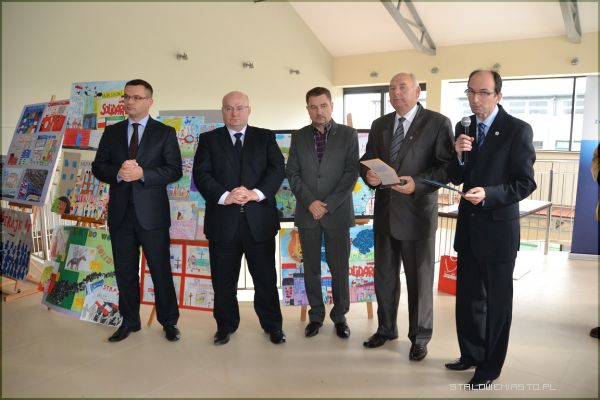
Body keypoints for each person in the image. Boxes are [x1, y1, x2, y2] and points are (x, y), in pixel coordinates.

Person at [445, 69, 537, 388]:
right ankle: (470, 354)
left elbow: (525, 183)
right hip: (469, 230)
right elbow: (456, 175)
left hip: (498, 231)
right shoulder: (463, 126)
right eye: (470, 92)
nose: (475, 99)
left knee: (497, 304)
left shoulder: (517, 129)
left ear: (498, 95)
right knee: (467, 299)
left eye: (483, 93)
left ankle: (490, 366)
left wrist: (489, 194)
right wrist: (458, 154)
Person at [359, 72, 454, 361]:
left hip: (417, 215)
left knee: (419, 281)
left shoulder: (438, 123)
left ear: (417, 92)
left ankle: (420, 336)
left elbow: (446, 168)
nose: (396, 93)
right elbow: (367, 160)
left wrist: (418, 183)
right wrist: (369, 175)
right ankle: (386, 328)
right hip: (385, 213)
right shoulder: (380, 124)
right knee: (384, 277)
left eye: (402, 87)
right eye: (391, 89)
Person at [92, 79, 182, 343]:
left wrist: (143, 173)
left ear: (149, 101)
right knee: (125, 271)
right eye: (126, 97)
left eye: (136, 97)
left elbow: (174, 170)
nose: (129, 101)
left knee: (160, 270)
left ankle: (169, 322)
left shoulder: (165, 133)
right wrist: (118, 173)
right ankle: (130, 321)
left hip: (152, 216)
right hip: (121, 215)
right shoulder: (112, 132)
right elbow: (99, 166)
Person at [192, 91, 286, 345]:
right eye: (229, 108)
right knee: (223, 282)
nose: (234, 113)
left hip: (259, 223)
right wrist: (226, 196)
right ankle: (225, 326)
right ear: (222, 110)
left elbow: (277, 169)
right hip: (223, 223)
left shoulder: (265, 137)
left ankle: (273, 326)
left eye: (240, 108)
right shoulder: (208, 140)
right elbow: (201, 174)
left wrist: (256, 193)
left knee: (265, 280)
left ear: (249, 110)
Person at [286, 87, 359, 339]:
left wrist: (327, 204)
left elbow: (351, 173)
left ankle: (340, 317)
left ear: (332, 106)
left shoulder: (348, 135)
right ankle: (316, 316)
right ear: (308, 109)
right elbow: (292, 173)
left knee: (339, 268)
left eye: (323, 105)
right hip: (308, 213)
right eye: (313, 107)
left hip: (337, 213)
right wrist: (310, 202)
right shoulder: (299, 137)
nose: (319, 111)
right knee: (311, 269)